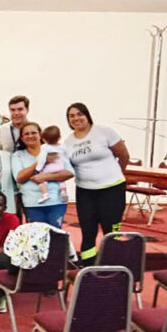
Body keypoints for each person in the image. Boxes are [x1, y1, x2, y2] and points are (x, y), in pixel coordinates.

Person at [64, 103, 129, 266]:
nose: (76, 118)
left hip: (112, 190)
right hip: (85, 192)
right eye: (72, 116)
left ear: (87, 115)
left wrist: (116, 174)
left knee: (110, 231)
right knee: (87, 231)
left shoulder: (104, 132)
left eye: (80, 114)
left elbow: (123, 154)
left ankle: (113, 266)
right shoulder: (68, 142)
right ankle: (88, 266)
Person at [12, 122, 74, 228]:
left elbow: (69, 172)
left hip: (56, 202)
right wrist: (40, 161)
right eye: (26, 134)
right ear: (21, 138)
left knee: (55, 236)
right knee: (37, 238)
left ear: (40, 135)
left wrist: (45, 177)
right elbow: (19, 177)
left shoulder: (54, 150)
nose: (30, 136)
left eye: (33, 133)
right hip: (32, 204)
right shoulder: (18, 155)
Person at [36, 125, 68, 203]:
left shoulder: (44, 147)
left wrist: (38, 168)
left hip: (49, 168)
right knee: (61, 180)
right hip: (60, 167)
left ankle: (45, 194)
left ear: (44, 139)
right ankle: (63, 192)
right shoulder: (63, 146)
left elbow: (42, 158)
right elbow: (67, 156)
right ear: (59, 137)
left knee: (42, 179)